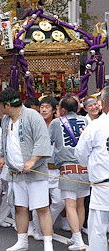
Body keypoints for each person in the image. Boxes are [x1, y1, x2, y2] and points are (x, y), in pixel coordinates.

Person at [0, 88, 54, 251]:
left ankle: (48, 244)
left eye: (0, 104)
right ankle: (22, 241)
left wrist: (33, 160)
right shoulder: (6, 120)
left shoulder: (32, 116)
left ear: (7, 105)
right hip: (16, 172)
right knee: (20, 207)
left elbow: (42, 140)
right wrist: (2, 157)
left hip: (35, 172)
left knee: (42, 208)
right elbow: (4, 141)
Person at [49, 96, 89, 250]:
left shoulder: (55, 123)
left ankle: (78, 240)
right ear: (78, 108)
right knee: (80, 205)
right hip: (85, 168)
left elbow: (48, 142)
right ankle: (76, 236)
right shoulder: (85, 121)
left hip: (67, 168)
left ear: (63, 110)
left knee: (70, 205)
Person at [75, 86, 109, 251]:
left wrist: (88, 164)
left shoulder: (95, 127)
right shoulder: (95, 126)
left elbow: (80, 154)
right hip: (102, 184)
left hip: (102, 184)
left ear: (104, 104)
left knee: (98, 228)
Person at [32, 96, 65, 240]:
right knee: (39, 202)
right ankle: (39, 231)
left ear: (54, 109)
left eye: (47, 107)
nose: (44, 109)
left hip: (56, 170)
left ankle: (46, 224)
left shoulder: (58, 124)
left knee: (60, 201)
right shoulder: (35, 124)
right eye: (42, 107)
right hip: (40, 169)